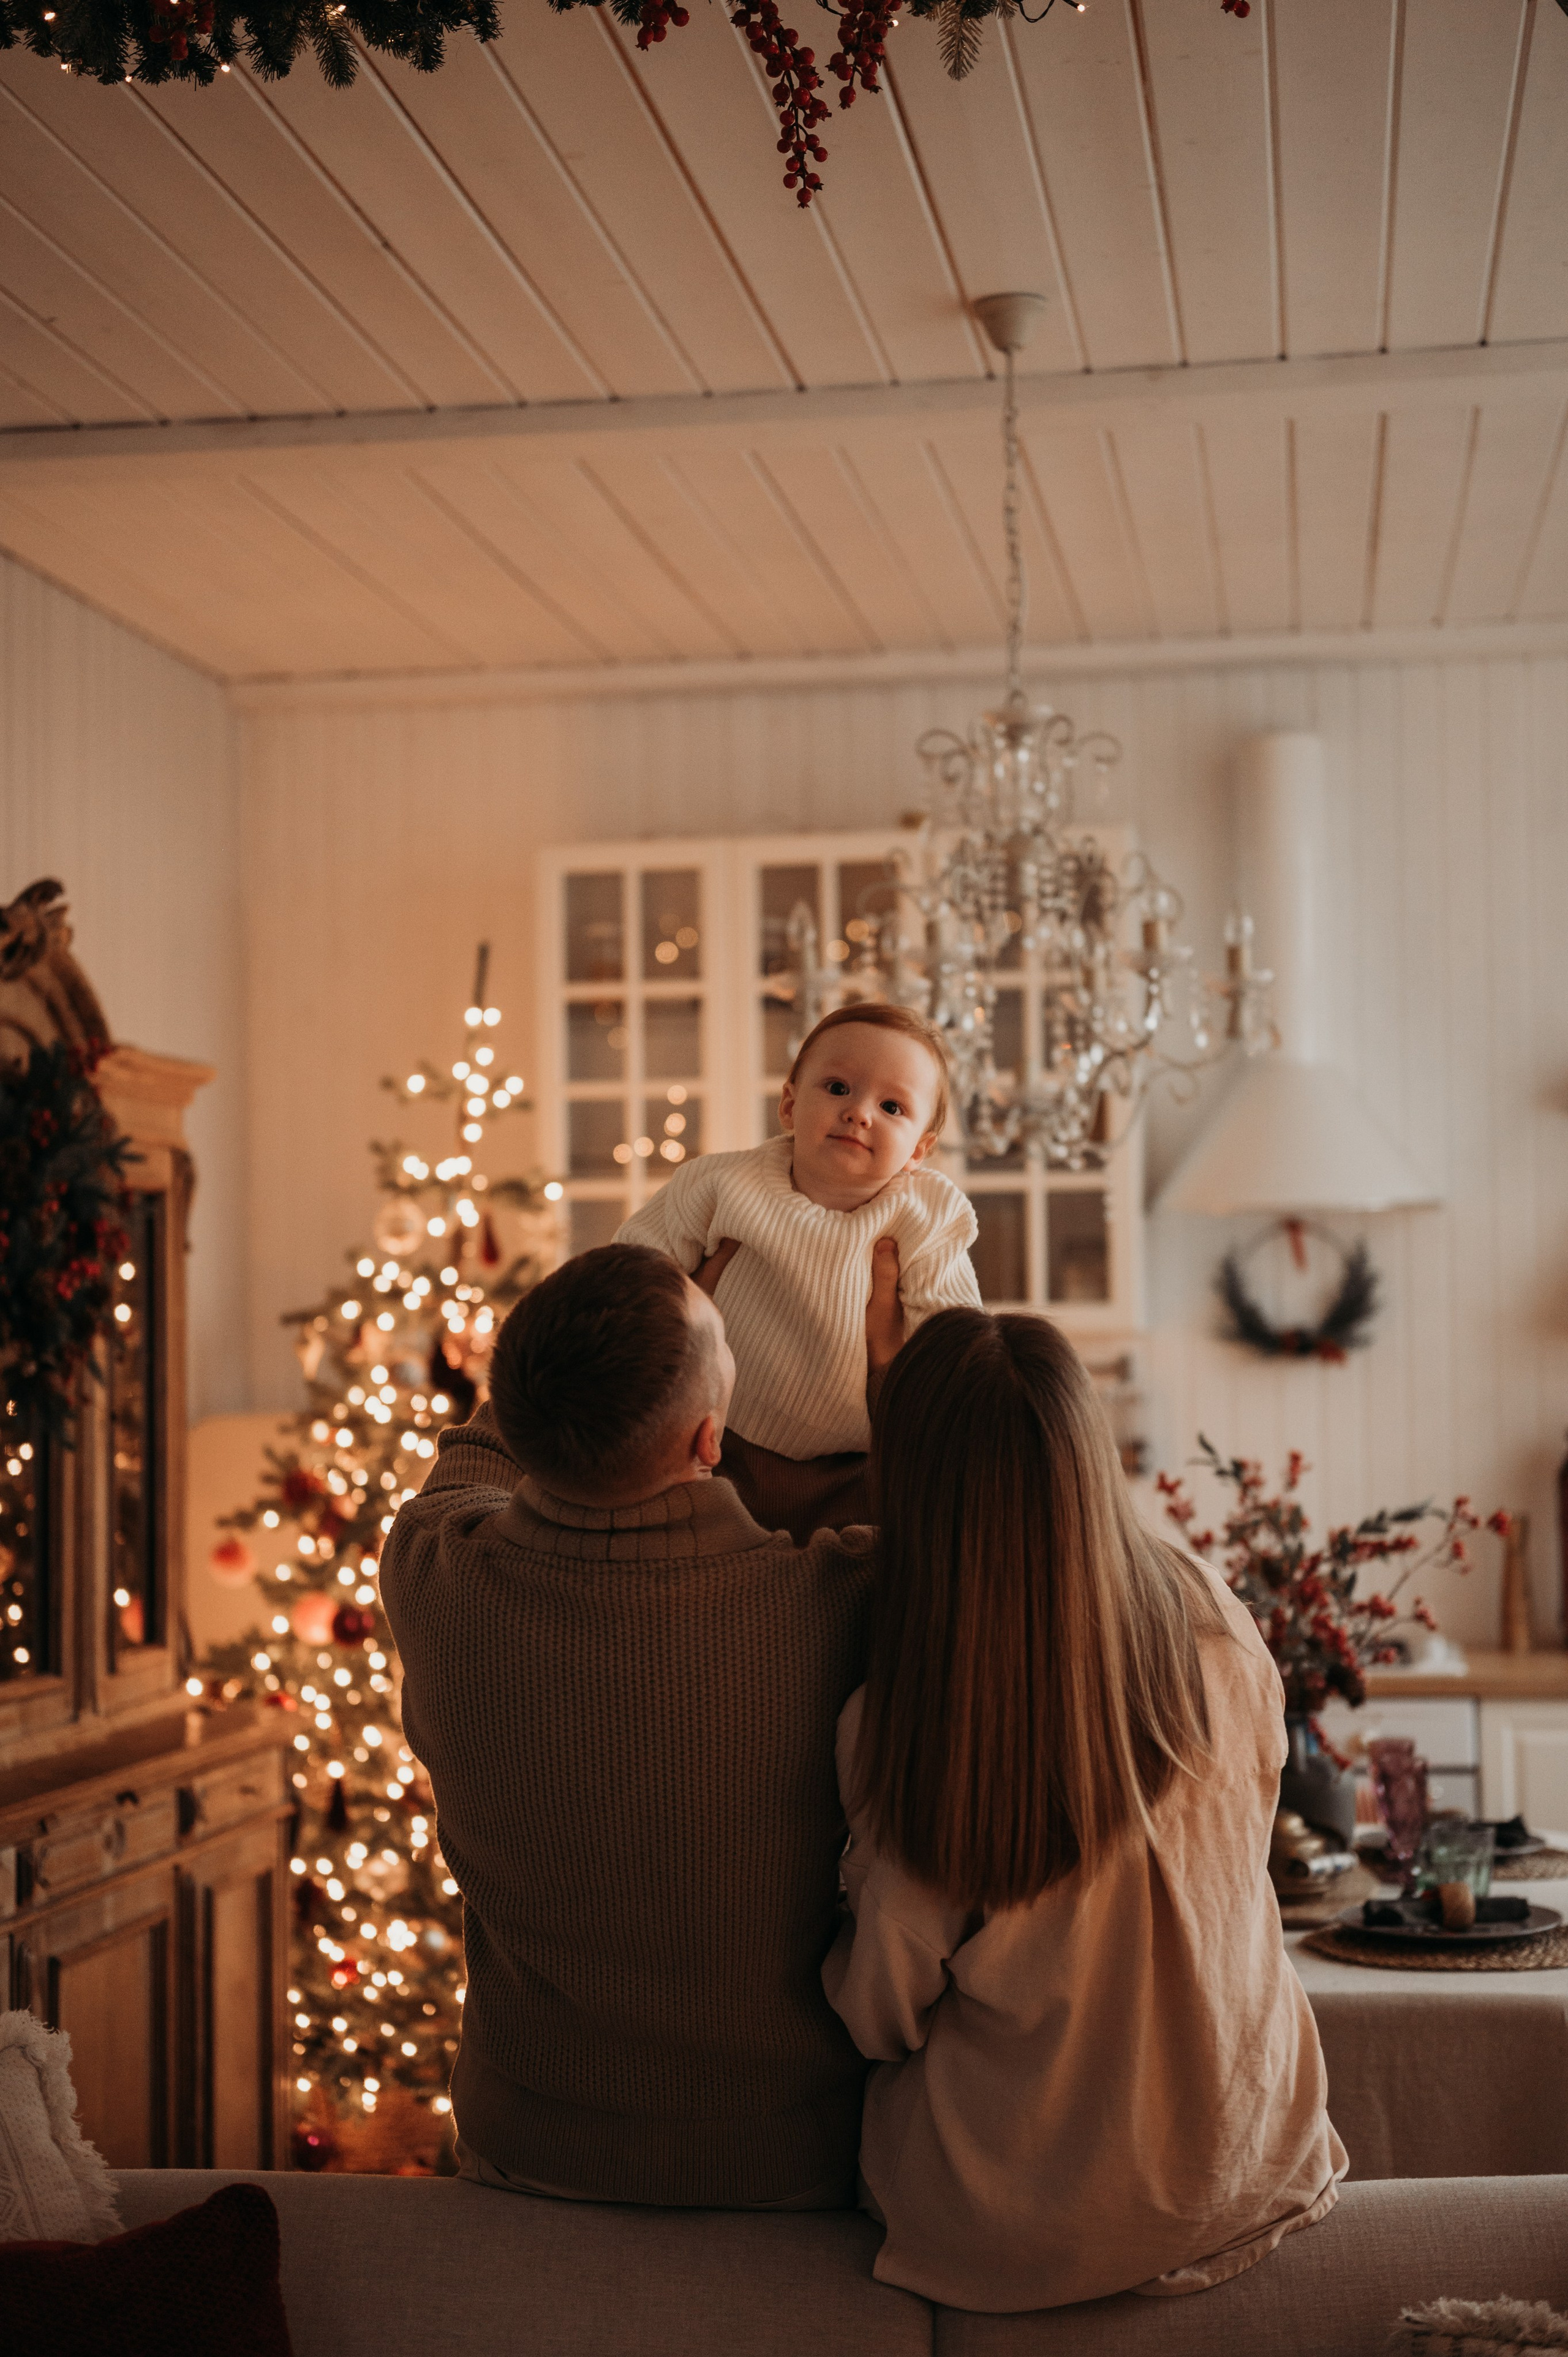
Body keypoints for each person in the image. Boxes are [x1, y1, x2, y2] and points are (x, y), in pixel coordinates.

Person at [823, 1307, 1347, 2313]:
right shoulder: (1216, 1616)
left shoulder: (906, 1729)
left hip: (1021, 2227)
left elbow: (877, 2018)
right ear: (1087, 1453)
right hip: (1251, 2169)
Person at [379, 1240, 902, 2211]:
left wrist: (600, 1345)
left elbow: (470, 1458)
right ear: (711, 1443)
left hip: (525, 2153)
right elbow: (955, 1529)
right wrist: (894, 1386)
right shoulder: (842, 1604)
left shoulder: (431, 1574)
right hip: (785, 2165)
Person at [618, 1003, 980, 1542]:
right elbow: (630, 1270)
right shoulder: (724, 1183)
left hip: (856, 1464)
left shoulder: (926, 1215)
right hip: (717, 1444)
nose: (860, 1112)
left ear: (919, 1150)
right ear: (789, 1104)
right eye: (837, 1089)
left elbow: (954, 1345)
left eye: (891, 1106)